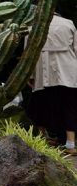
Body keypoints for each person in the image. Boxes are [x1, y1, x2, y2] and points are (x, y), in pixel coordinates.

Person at [32, 12, 77, 155]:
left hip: (42, 71)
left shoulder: (33, 26)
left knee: (42, 105)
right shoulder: (68, 23)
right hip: (68, 71)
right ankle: (70, 144)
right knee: (69, 106)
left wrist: (30, 76)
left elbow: (29, 54)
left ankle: (41, 140)